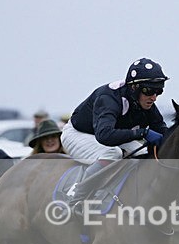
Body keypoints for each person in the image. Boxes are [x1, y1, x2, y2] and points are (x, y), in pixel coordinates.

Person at [61, 58, 169, 207]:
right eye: (149, 90)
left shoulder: (145, 103)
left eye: (158, 91)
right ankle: (76, 199)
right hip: (78, 134)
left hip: (107, 135)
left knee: (142, 153)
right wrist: (142, 133)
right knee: (112, 154)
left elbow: (163, 131)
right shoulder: (109, 98)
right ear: (134, 87)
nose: (154, 97)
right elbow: (104, 135)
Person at [27, 119, 91, 244]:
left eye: (53, 137)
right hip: (43, 225)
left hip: (69, 222)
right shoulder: (32, 165)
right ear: (39, 142)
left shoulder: (73, 162)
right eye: (45, 138)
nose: (49, 141)